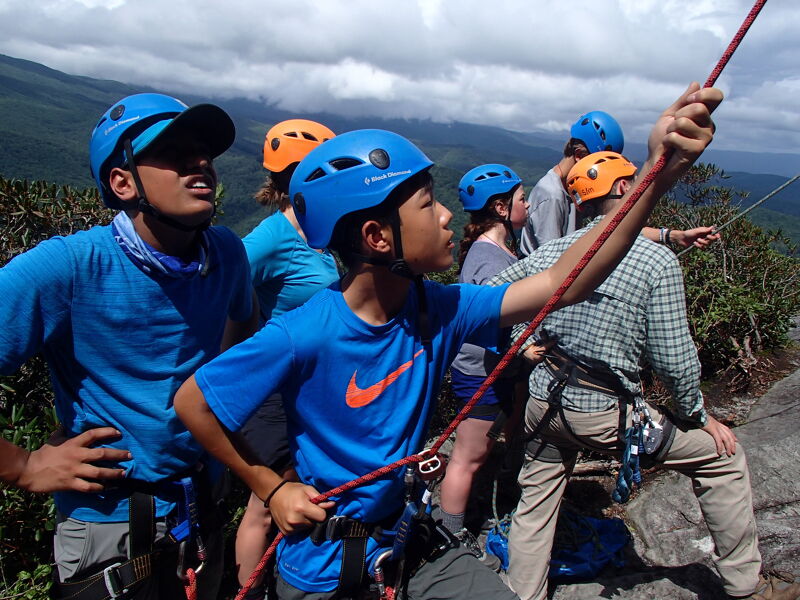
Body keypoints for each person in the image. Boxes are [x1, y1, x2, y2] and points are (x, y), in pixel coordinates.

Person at [173, 82, 721, 600]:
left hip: (409, 541)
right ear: (377, 236)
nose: (445, 216)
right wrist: (269, 487)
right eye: (426, 204)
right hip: (322, 569)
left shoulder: (441, 307)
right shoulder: (304, 331)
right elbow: (194, 401)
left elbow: (563, 281)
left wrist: (655, 177)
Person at [490, 151, 800, 600]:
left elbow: (491, 293)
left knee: (536, 500)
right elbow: (675, 360)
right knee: (721, 458)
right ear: (621, 189)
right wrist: (697, 416)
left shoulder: (558, 251)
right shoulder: (655, 263)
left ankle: (522, 593)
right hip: (603, 412)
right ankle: (746, 586)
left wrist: (524, 336)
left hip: (545, 402)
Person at [0, 93, 258, 599]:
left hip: (199, 507)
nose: (200, 162)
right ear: (123, 183)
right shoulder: (70, 268)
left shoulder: (225, 252)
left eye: (203, 150)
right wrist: (24, 466)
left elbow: (239, 336)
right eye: (173, 151)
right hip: (107, 523)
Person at [237, 119, 339, 598]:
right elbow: (221, 285)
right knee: (266, 500)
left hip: (306, 389)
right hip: (270, 390)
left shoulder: (318, 234)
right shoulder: (273, 238)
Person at [437, 164, 532, 544]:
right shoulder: (491, 258)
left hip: (488, 368)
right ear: (501, 208)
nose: (528, 205)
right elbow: (491, 319)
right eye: (522, 199)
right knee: (468, 456)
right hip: (482, 372)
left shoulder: (492, 249)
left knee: (478, 452)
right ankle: (449, 537)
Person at [519, 110, 718, 255]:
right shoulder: (551, 195)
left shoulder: (576, 190)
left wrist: (673, 236)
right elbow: (550, 259)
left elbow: (609, 227)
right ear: (579, 155)